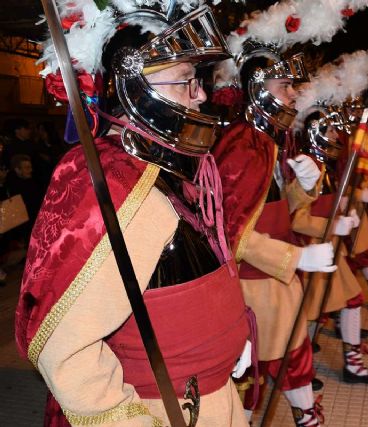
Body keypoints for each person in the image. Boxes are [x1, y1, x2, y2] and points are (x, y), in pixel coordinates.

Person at [15, 5, 252, 426]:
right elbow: (65, 348)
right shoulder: (115, 184)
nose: (199, 94)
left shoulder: (173, 169)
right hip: (168, 410)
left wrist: (227, 341)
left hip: (214, 392)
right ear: (135, 86)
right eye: (186, 80)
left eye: (198, 81)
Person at [212, 48, 334, 426]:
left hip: (279, 286)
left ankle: (306, 415)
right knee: (248, 381)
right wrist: (295, 259)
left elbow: (279, 211)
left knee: (294, 359)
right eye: (285, 85)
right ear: (258, 89)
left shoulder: (269, 142)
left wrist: (305, 189)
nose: (293, 94)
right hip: (251, 290)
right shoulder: (239, 146)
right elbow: (233, 233)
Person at [296, 108, 368, 385]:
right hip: (310, 251)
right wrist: (332, 226)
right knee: (307, 313)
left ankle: (346, 364)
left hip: (328, 248)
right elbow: (295, 219)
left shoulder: (324, 165)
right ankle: (297, 371)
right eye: (330, 130)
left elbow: (335, 198)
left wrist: (358, 201)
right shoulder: (304, 166)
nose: (337, 135)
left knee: (343, 302)